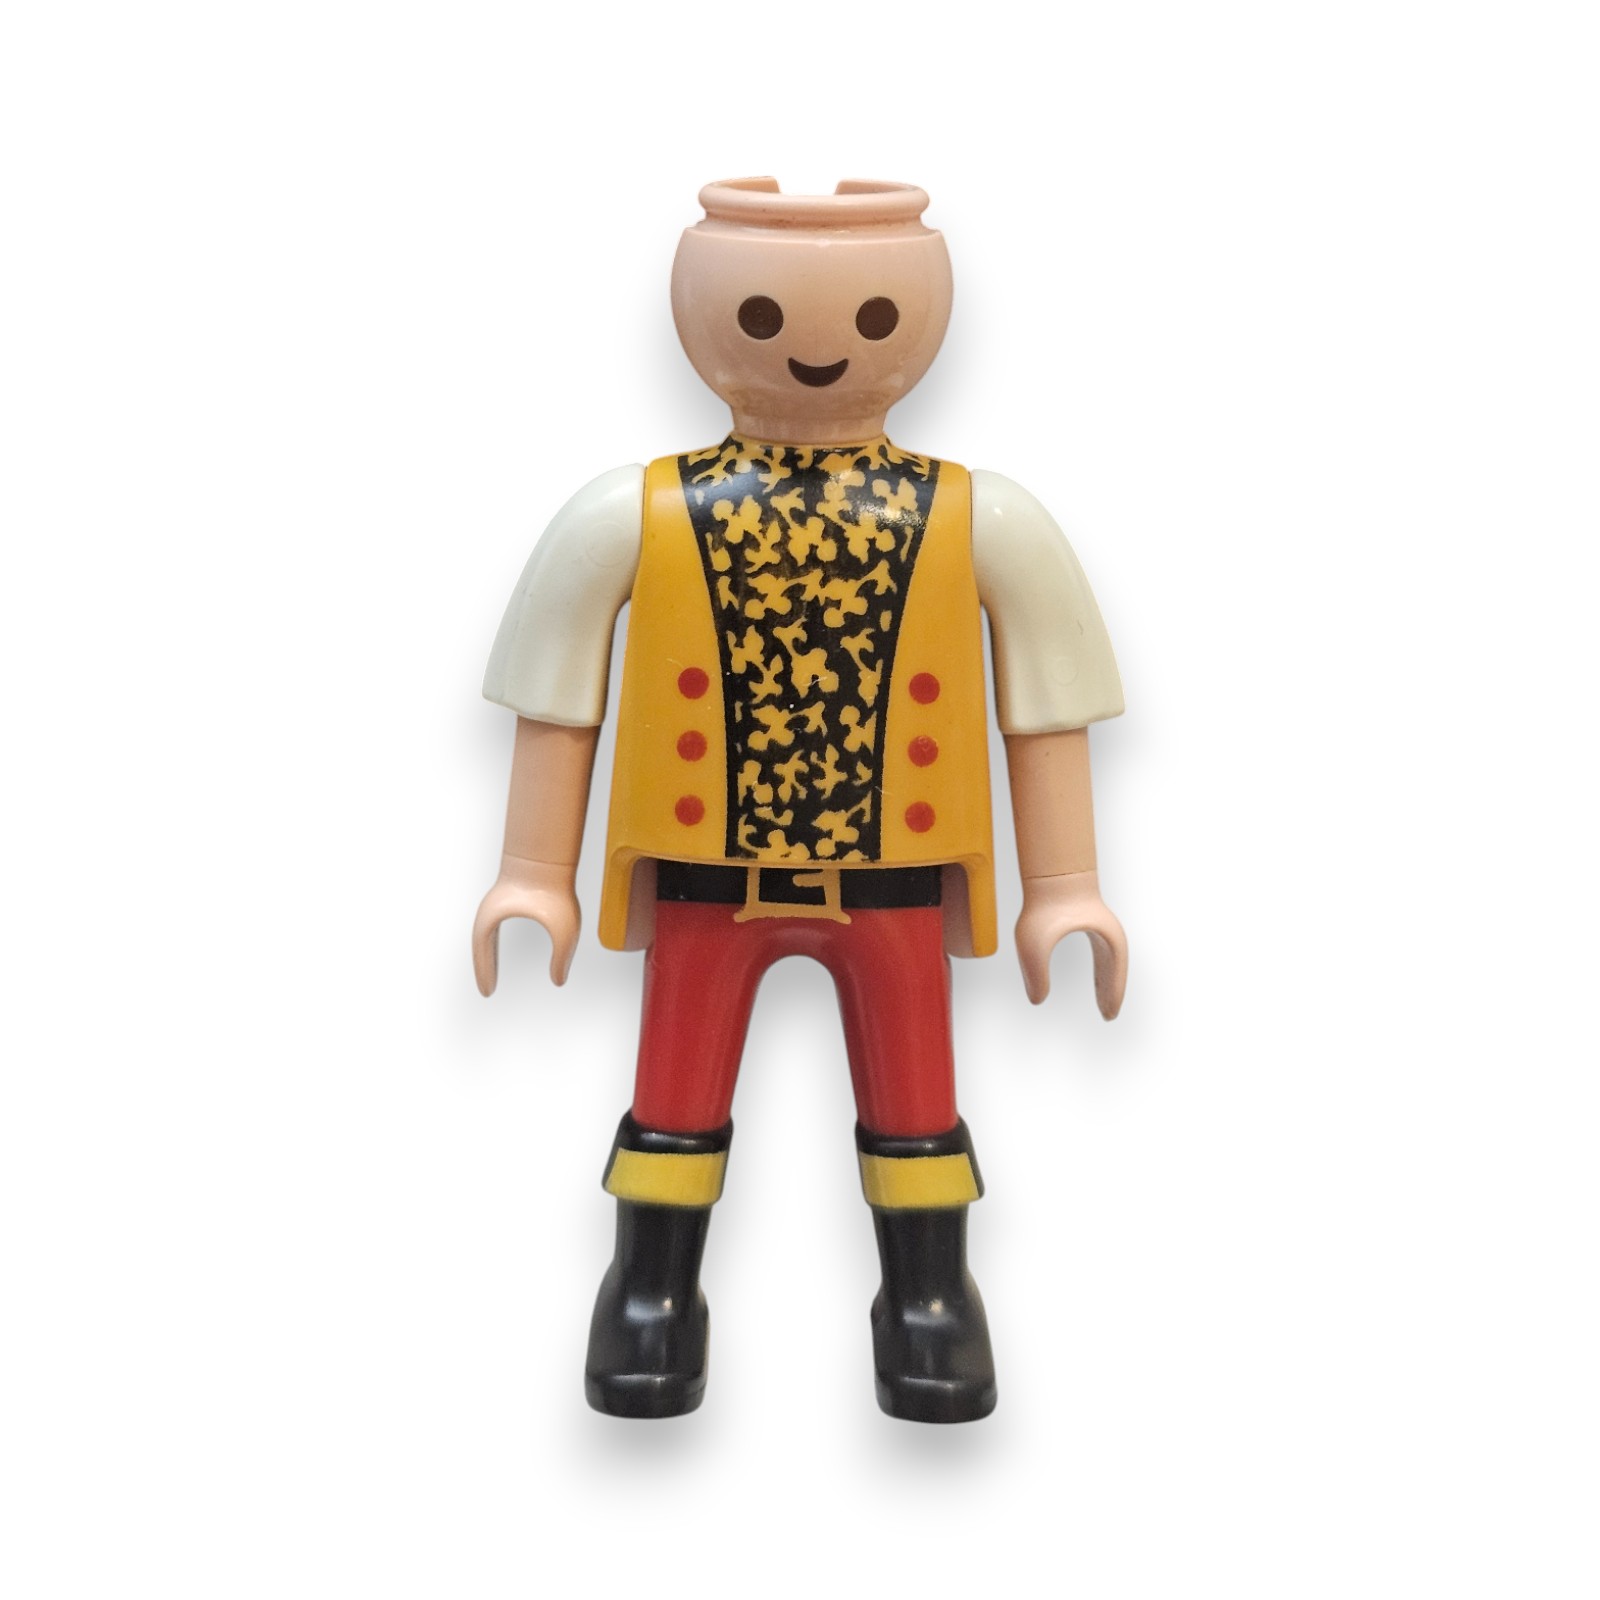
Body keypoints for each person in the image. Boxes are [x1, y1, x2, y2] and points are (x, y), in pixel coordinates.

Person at [473, 178, 1128, 1423]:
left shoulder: (978, 518)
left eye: (876, 315)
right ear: (701, 310)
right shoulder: (639, 513)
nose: (818, 346)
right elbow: (558, 695)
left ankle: (926, 1294)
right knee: (674, 1092)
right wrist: (531, 871)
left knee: (915, 1098)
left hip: (891, 873)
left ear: (920, 319)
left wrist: (1067, 887)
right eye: (761, 313)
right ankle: (651, 1287)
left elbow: (1044, 705)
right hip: (704, 872)